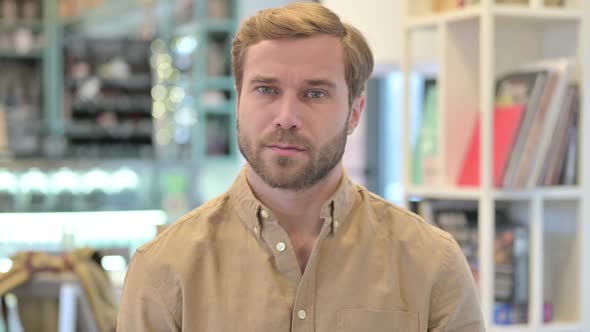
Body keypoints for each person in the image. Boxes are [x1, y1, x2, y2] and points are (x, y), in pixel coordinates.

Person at [117, 3, 484, 331]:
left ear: (354, 112)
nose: (287, 117)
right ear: (239, 100)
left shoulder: (432, 263)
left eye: (315, 93)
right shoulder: (164, 271)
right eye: (266, 89)